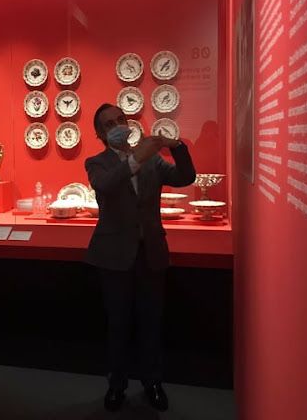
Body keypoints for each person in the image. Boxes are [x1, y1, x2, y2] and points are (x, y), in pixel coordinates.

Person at [85, 104, 196, 412]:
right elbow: (106, 185)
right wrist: (137, 158)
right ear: (100, 133)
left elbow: (185, 177)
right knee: (118, 324)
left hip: (150, 253)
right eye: (109, 124)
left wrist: (176, 146)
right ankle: (116, 385)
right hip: (114, 257)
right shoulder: (97, 163)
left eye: (121, 119)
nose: (117, 126)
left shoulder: (152, 160)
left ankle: (153, 382)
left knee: (151, 322)